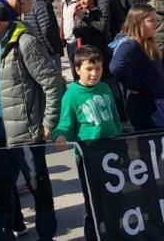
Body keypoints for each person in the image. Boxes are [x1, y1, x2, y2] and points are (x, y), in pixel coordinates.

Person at [0, 0, 65, 241]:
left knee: (38, 187)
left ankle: (46, 235)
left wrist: (48, 123)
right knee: (1, 189)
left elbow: (53, 83)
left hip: (26, 133)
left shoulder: (26, 43)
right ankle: (4, 235)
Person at [51, 46, 122, 241]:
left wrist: (121, 138)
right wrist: (60, 136)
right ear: (77, 69)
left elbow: (115, 118)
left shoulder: (105, 87)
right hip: (89, 159)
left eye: (98, 68)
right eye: (89, 68)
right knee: (94, 203)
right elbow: (64, 124)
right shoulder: (71, 95)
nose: (94, 73)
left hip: (112, 154)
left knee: (115, 200)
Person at [109, 4, 164, 131]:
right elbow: (116, 66)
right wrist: (136, 86)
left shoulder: (148, 42)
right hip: (147, 108)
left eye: (156, 19)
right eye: (150, 20)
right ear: (137, 22)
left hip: (160, 105)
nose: (156, 23)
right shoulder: (130, 44)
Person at [22, 0, 64, 66]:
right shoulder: (44, 5)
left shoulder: (31, 4)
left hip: (37, 51)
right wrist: (54, 49)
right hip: (49, 53)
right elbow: (47, 30)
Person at [59, 0, 79, 72]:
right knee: (73, 69)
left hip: (77, 40)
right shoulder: (62, 3)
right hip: (68, 41)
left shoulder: (78, 1)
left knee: (80, 67)